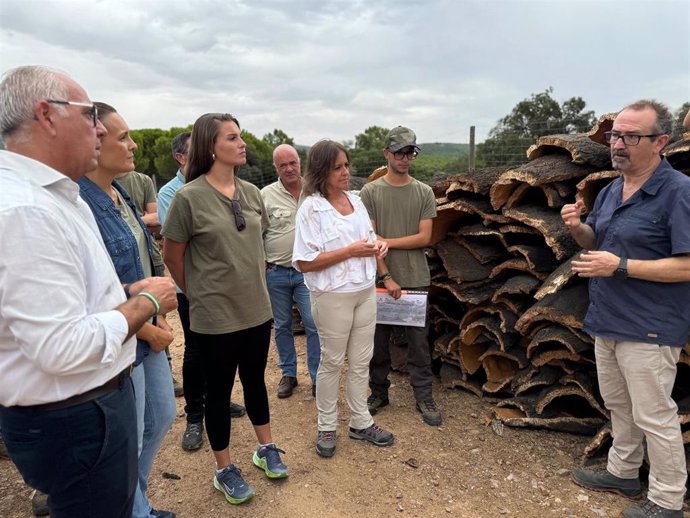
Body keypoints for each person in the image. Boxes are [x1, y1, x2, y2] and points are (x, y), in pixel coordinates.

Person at [0, 65, 176, 518]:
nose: (100, 128)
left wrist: (124, 289)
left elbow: (70, 300)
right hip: (75, 417)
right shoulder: (25, 210)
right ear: (47, 115)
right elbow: (61, 347)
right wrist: (147, 302)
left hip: (84, 409)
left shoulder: (55, 196)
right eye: (89, 115)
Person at [563, 100, 690, 518]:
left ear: (661, 143)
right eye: (616, 135)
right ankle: (623, 472)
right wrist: (578, 228)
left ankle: (668, 501)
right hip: (609, 317)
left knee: (655, 414)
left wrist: (619, 265)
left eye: (631, 136)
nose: (618, 144)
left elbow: (686, 265)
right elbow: (594, 243)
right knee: (619, 404)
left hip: (650, 325)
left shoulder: (679, 192)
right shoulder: (612, 188)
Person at [163, 113, 288, 505]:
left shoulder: (252, 192)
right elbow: (172, 256)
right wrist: (199, 294)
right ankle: (223, 469)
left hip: (256, 310)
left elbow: (258, 244)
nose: (241, 143)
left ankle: (265, 448)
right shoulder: (188, 198)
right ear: (211, 146)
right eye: (232, 137)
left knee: (255, 381)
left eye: (240, 136)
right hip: (214, 317)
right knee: (217, 393)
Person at [78, 102, 177, 518]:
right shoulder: (82, 205)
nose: (133, 145)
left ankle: (136, 502)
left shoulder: (119, 193)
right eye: (123, 138)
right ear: (96, 145)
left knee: (161, 418)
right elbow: (93, 292)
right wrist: (146, 326)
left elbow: (146, 260)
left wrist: (159, 316)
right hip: (125, 338)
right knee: (129, 438)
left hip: (146, 329)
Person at [292, 139, 394, 458]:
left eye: (347, 165)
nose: (345, 172)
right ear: (322, 171)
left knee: (361, 360)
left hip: (364, 290)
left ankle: (361, 422)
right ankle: (326, 425)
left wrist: (379, 247)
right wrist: (350, 251)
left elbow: (368, 238)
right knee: (333, 361)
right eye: (338, 167)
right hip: (332, 295)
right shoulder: (311, 207)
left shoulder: (357, 200)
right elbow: (305, 261)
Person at [158, 132, 245, 452]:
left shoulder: (219, 187)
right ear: (182, 158)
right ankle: (195, 415)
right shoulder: (173, 193)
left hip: (223, 288)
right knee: (196, 352)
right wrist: (193, 289)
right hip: (193, 291)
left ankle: (217, 402)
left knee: (224, 349)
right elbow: (178, 244)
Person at [360, 126, 442, 427]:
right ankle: (379, 392)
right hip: (380, 280)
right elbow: (370, 238)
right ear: (387, 154)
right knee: (377, 342)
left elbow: (424, 237)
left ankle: (424, 396)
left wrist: (387, 241)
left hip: (416, 278)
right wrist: (386, 276)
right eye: (399, 153)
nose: (404, 158)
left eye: (410, 152)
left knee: (419, 344)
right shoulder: (370, 192)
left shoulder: (424, 192)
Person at [261, 144, 321, 399]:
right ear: (275, 168)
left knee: (313, 322)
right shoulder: (264, 195)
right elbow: (257, 232)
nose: (289, 169)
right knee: (282, 325)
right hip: (276, 271)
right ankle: (289, 374)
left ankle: (318, 376)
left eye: (292, 163)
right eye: (282, 165)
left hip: (307, 273)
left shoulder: (315, 193)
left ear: (300, 162)